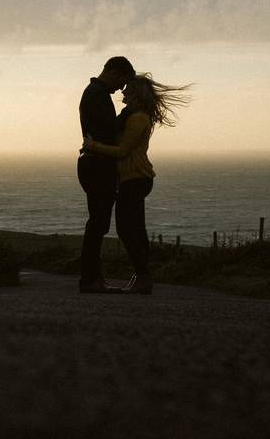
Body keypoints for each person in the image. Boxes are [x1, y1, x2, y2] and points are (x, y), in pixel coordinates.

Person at [84, 74, 190, 295]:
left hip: (135, 178)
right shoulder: (132, 116)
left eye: (127, 89)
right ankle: (143, 276)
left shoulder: (137, 118)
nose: (122, 92)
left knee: (126, 229)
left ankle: (143, 276)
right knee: (136, 230)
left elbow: (123, 152)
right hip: (134, 178)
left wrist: (93, 146)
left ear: (135, 93)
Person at [77, 56, 136, 293]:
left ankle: (91, 278)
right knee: (97, 223)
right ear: (113, 72)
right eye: (122, 82)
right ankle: (90, 279)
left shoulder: (94, 92)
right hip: (98, 165)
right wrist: (129, 112)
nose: (120, 89)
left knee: (97, 222)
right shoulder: (96, 94)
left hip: (93, 163)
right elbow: (109, 130)